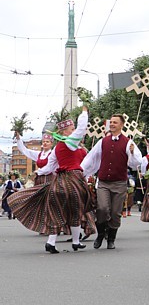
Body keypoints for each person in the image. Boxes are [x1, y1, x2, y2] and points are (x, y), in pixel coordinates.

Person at [8, 108, 93, 253]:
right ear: (65, 132)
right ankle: (76, 241)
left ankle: (51, 242)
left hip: (58, 181)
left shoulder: (57, 148)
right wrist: (84, 113)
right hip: (74, 180)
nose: (75, 131)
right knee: (76, 209)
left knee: (56, 210)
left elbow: (49, 167)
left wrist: (37, 172)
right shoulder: (71, 142)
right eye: (71, 129)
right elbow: (82, 127)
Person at [82, 114, 143, 250]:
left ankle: (111, 238)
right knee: (102, 209)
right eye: (111, 122)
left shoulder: (128, 143)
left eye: (115, 122)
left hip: (119, 183)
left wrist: (132, 153)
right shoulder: (103, 141)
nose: (112, 124)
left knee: (115, 213)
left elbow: (136, 163)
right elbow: (91, 157)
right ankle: (100, 234)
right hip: (103, 182)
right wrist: (81, 171)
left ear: (121, 125)